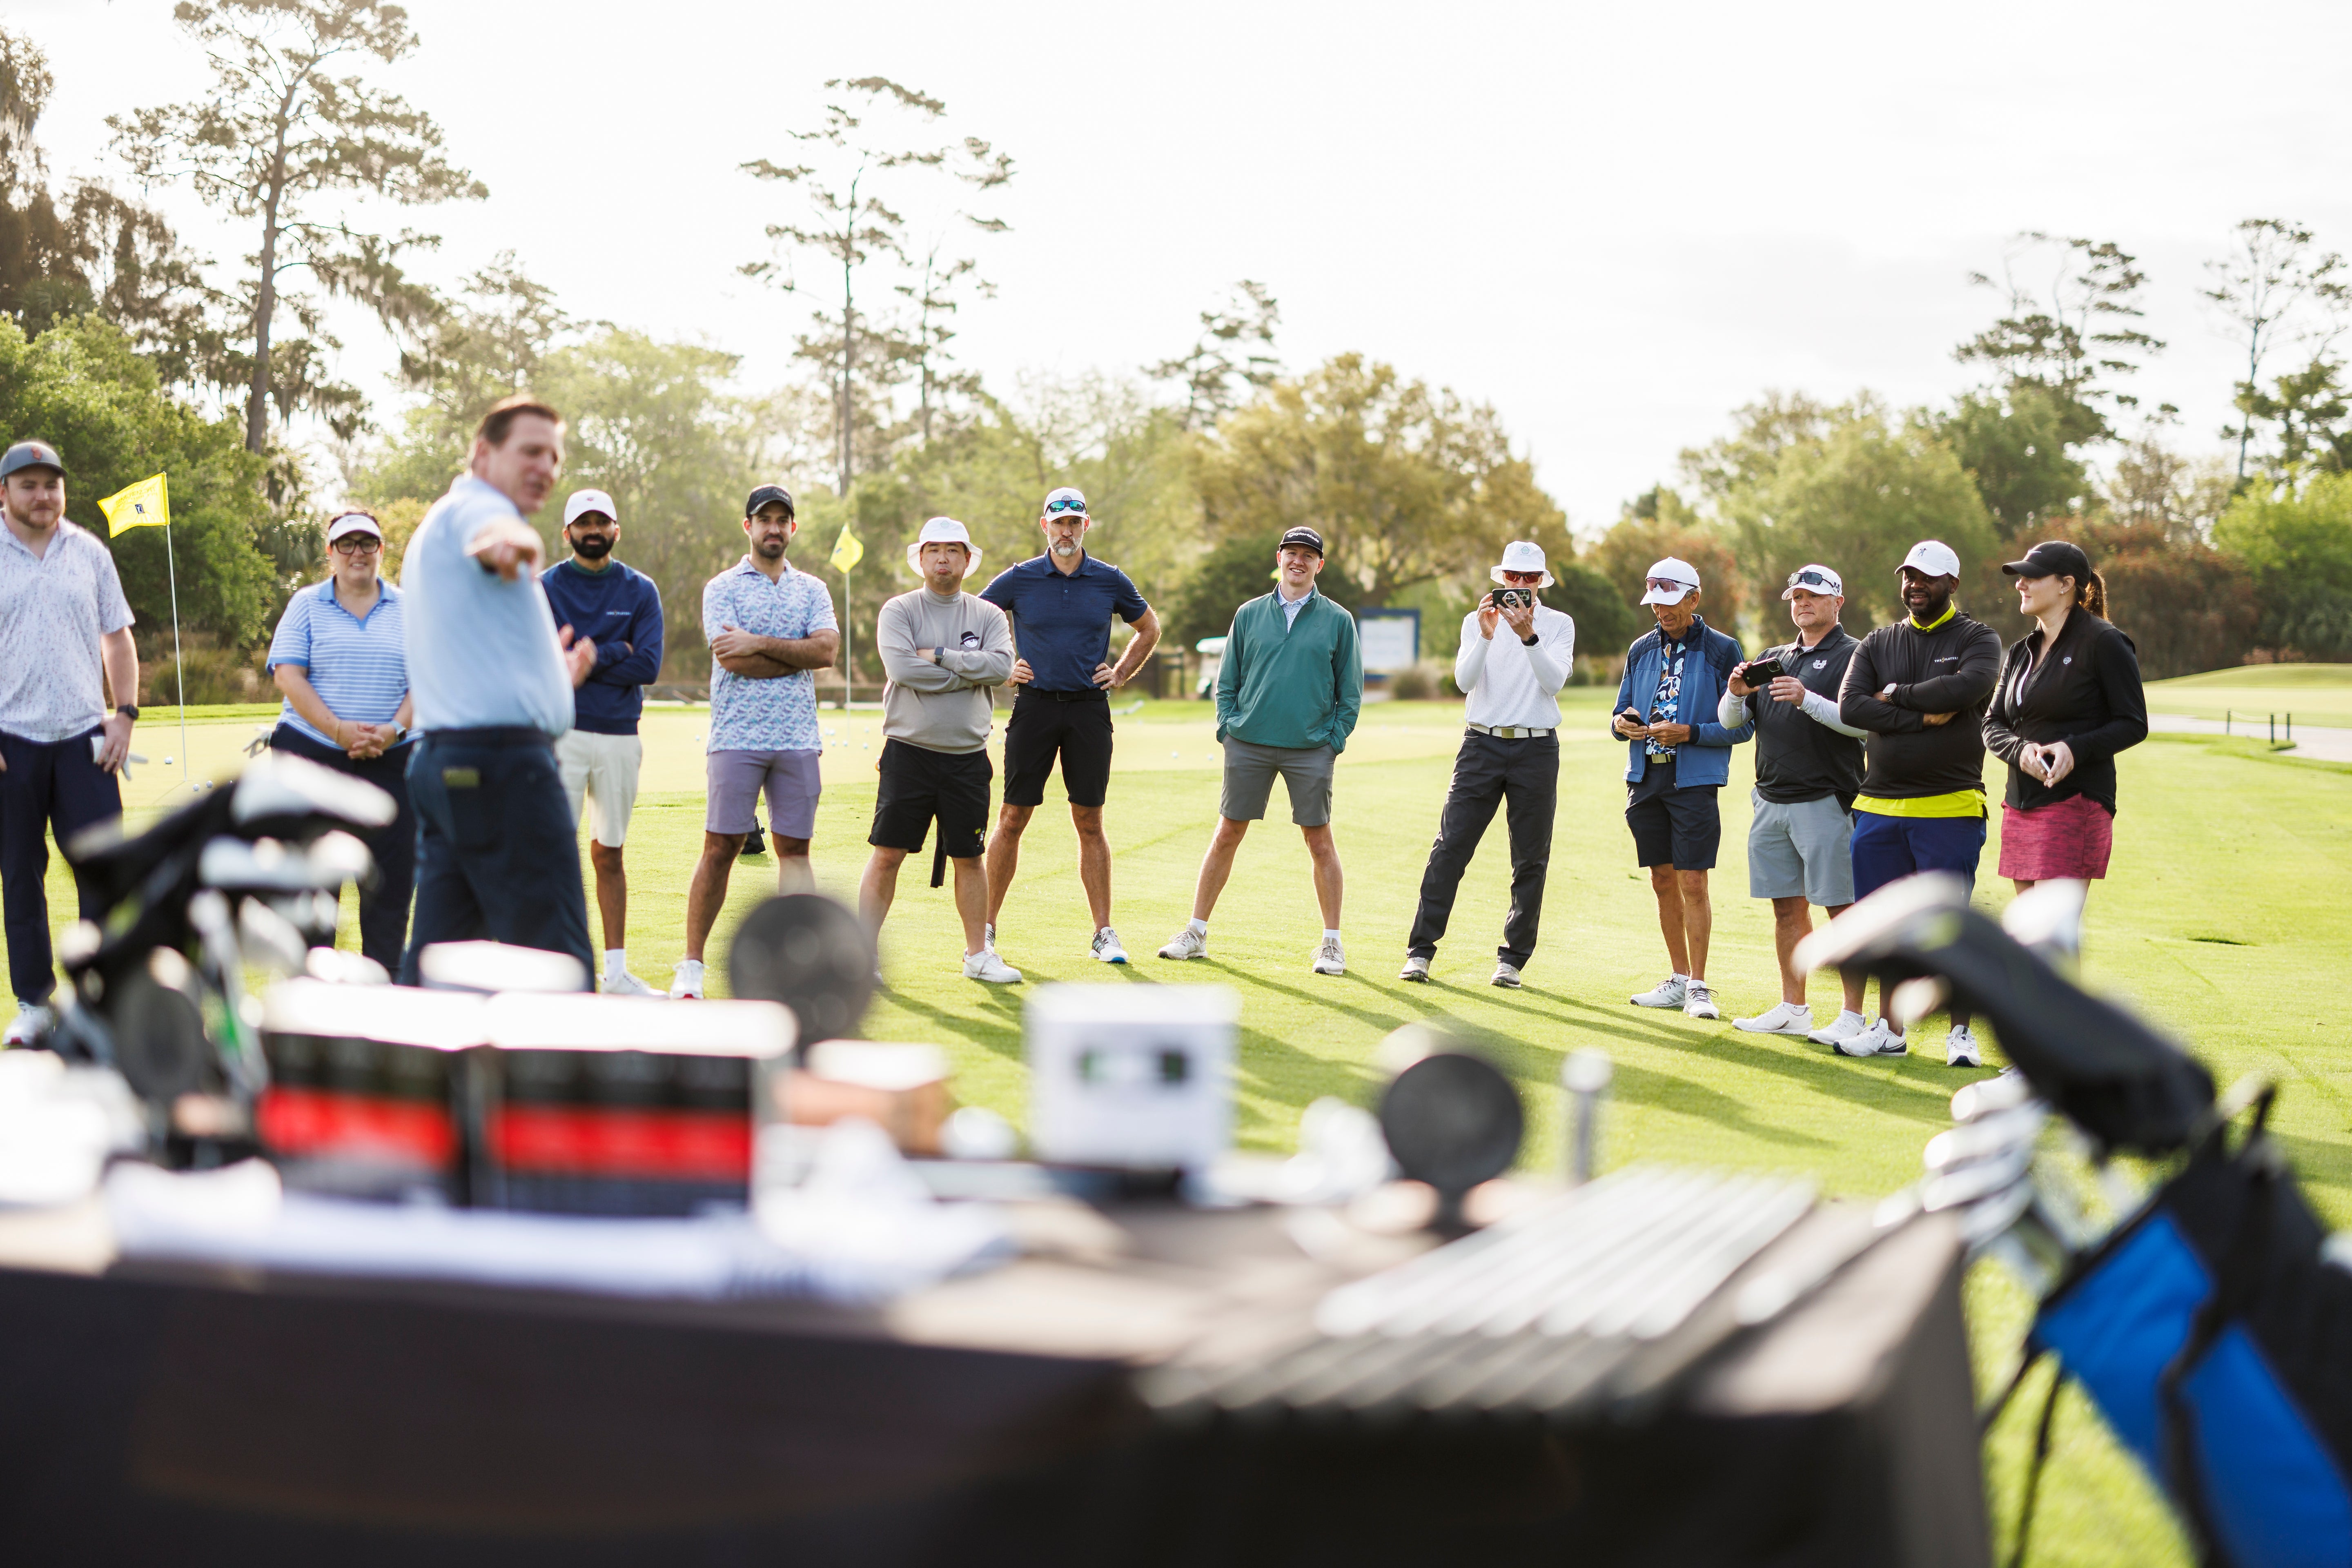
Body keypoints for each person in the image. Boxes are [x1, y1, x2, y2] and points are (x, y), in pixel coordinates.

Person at [399, 395, 598, 985]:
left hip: (451, 766)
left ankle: (403, 1078)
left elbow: (482, 661)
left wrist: (552, 680)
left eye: (555, 458)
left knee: (437, 970)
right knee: (558, 968)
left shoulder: (446, 520)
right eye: (532, 451)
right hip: (502, 770)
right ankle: (563, 1080)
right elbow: (497, 536)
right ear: (484, 453)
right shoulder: (476, 513)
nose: (547, 468)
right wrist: (514, 543)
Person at [1159, 526, 1363, 975]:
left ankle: (1331, 944)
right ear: (1280, 558)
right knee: (1228, 832)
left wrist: (1334, 740)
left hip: (1310, 748)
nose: (1299, 562)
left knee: (1319, 840)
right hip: (1248, 742)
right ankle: (1195, 933)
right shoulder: (1250, 614)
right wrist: (1228, 728)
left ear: (1319, 565)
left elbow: (1350, 693)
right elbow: (1226, 682)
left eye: (1308, 556)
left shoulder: (1338, 620)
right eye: (1292, 553)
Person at [1835, 540, 2003, 1065]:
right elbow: (1851, 706)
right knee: (1883, 930)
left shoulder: (1979, 638)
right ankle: (1891, 1030)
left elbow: (1971, 686)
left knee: (1948, 928)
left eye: (1927, 577)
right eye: (1909, 575)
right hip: (1879, 807)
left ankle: (1960, 1035)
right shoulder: (1878, 642)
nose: (1915, 585)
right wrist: (1921, 711)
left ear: (1952, 584)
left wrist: (1897, 695)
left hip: (1949, 807)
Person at [978, 486, 1161, 966]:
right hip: (1033, 708)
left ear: (1085, 526)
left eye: (1075, 522)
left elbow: (1149, 628)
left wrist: (1120, 673)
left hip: (1087, 711)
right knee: (1013, 819)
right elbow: (973, 618)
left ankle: (1103, 933)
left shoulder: (1108, 580)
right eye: (1058, 522)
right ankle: (986, 928)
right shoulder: (1020, 578)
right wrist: (1000, 667)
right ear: (1045, 526)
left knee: (1090, 822)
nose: (1066, 530)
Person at [671, 484, 839, 1000]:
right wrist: (795, 652)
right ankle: (692, 966)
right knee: (719, 848)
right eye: (763, 519)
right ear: (748, 527)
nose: (773, 528)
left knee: (795, 852)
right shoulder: (722, 586)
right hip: (736, 737)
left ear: (793, 528)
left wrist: (761, 643)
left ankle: (798, 969)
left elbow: (827, 651)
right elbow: (730, 658)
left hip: (796, 738)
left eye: (782, 520)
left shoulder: (812, 588)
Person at [0, 441, 137, 1045]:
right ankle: (36, 1004)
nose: (42, 496)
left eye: (51, 484)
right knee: (20, 876)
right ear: (3, 493)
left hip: (86, 739)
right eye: (27, 484)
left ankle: (102, 1002)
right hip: (12, 742)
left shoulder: (90, 552)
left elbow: (118, 638)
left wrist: (125, 714)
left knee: (104, 875)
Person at [1401, 540, 1574, 988]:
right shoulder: (1476, 623)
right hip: (1481, 745)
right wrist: (1485, 634)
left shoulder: (1558, 625)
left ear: (1540, 583)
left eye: (1529, 579)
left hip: (1536, 749)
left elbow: (1553, 682)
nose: (1519, 586)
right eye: (1512, 578)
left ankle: (1512, 960)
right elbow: (1463, 681)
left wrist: (1527, 636)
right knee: (1450, 848)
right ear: (1501, 580)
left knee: (1530, 858)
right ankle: (1420, 951)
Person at [1716, 564, 1871, 1042]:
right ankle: (1793, 1007)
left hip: (1826, 800)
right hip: (1771, 800)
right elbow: (1729, 723)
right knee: (1787, 909)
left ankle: (1852, 1015)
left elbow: (1865, 725)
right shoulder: (1774, 656)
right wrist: (1736, 693)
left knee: (1841, 911)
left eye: (1813, 596)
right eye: (1796, 597)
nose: (1802, 603)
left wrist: (1806, 699)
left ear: (1837, 602)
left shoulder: (1856, 655)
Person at [861, 518, 1019, 983]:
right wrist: (971, 672)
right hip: (909, 753)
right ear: (922, 558)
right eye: (935, 551)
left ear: (968, 560)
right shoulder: (900, 611)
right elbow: (904, 670)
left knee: (969, 857)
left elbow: (1003, 667)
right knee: (887, 853)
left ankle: (977, 957)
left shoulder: (988, 614)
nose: (944, 559)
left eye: (954, 551)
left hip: (967, 757)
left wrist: (943, 657)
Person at [264, 509, 417, 974]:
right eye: (346, 544)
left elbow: (428, 681)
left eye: (367, 544)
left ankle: (385, 999)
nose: (357, 553)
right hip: (314, 756)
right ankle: (312, 999)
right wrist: (337, 730)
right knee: (313, 889)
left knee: (389, 890)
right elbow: (289, 675)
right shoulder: (307, 604)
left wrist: (391, 730)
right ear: (330, 553)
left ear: (381, 551)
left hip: (392, 759)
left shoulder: (410, 607)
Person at [1611, 557, 1751, 1021]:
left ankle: (1699, 985)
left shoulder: (1724, 650)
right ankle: (1676, 978)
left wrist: (1689, 733)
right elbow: (1621, 712)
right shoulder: (1640, 649)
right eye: (1655, 603)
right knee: (1661, 880)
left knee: (1694, 881)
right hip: (1645, 777)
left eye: (1671, 603)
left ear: (1694, 598)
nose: (1662, 612)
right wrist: (1623, 722)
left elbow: (1742, 726)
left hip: (1693, 781)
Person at [541, 488, 665, 996]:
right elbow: (541, 664)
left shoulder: (640, 589)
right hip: (561, 734)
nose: (593, 530)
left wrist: (592, 658)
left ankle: (615, 974)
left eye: (602, 522)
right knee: (555, 854)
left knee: (609, 852)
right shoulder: (543, 587)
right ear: (567, 532)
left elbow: (649, 665)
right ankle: (557, 969)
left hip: (618, 736)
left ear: (616, 530)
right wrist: (618, 651)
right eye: (583, 523)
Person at [1984, 540, 2147, 902]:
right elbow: (1992, 723)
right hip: (2021, 803)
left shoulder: (2104, 642)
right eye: (2019, 578)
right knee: (2028, 933)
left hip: (2076, 802)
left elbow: (2134, 722)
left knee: (2052, 934)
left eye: (2031, 576)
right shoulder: (2021, 652)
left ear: (2065, 584)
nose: (2020, 584)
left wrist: (2074, 748)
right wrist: (2020, 751)